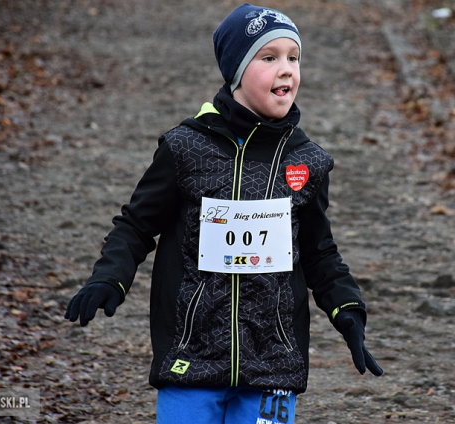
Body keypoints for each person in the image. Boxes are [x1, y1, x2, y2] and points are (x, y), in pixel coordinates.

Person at [64, 3, 382, 423]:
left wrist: (347, 309)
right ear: (235, 71)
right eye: (269, 58)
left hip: (274, 362)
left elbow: (320, 252)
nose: (286, 69)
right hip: (190, 358)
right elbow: (136, 226)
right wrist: (110, 277)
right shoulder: (185, 148)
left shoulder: (308, 161)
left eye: (293, 57)